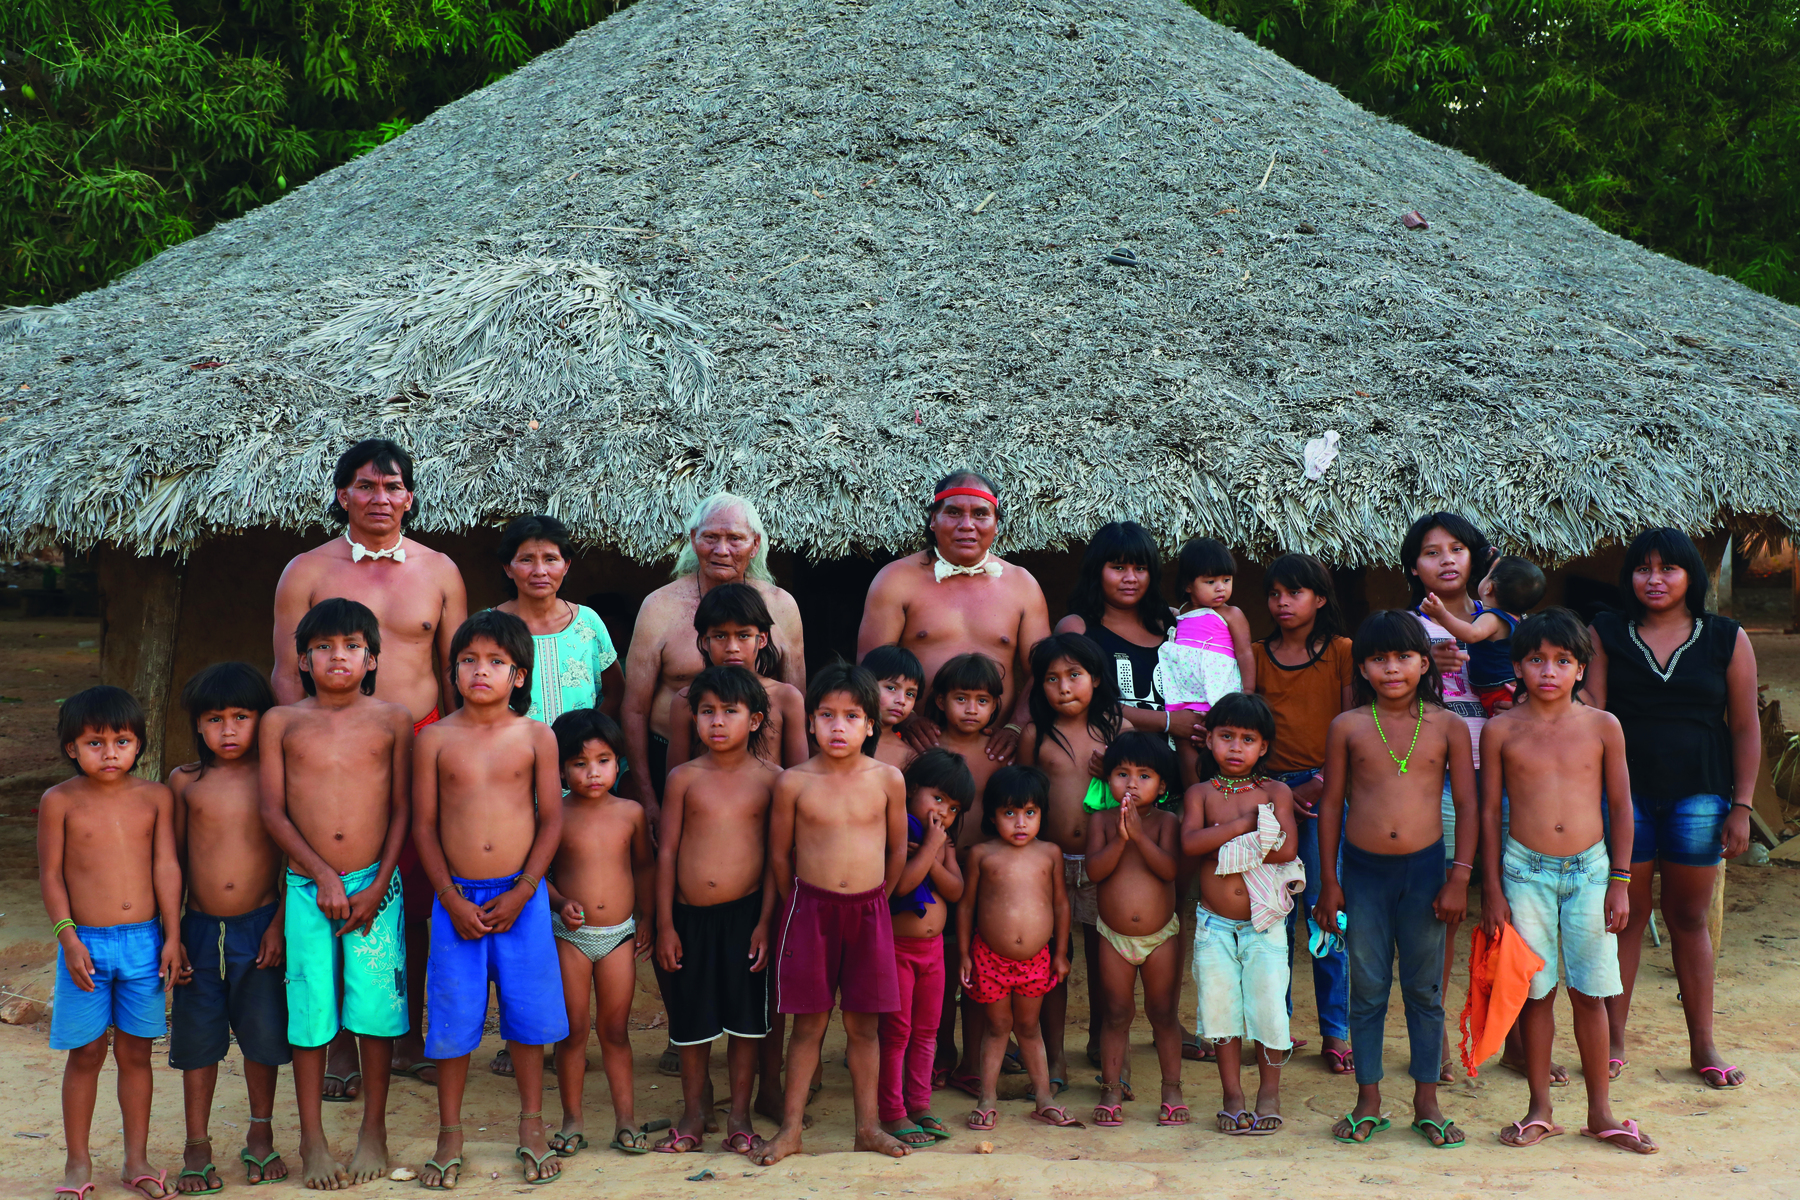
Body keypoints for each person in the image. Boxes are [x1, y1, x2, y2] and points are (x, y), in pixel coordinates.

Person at [271, 438, 467, 1095]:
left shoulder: (440, 571)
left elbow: (452, 672)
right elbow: (284, 670)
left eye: (392, 488)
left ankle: (402, 1034)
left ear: (410, 497)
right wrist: (305, 753)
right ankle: (339, 1048)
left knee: (409, 893)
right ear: (341, 495)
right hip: (330, 751)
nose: (380, 499)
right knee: (332, 887)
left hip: (422, 741)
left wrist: (452, 753)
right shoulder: (306, 570)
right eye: (365, 486)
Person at [1587, 528, 1758, 1091]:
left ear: (1692, 576)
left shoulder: (1726, 638)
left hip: (1701, 796)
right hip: (1624, 799)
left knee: (1688, 918)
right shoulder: (1607, 632)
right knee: (1626, 918)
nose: (1654, 579)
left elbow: (1745, 725)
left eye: (1668, 569)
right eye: (1643, 568)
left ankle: (1703, 1044)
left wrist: (1742, 805)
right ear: (1628, 576)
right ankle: (1613, 1039)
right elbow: (1589, 708)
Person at [1479, 610, 1655, 1153]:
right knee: (1536, 992)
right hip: (1522, 870)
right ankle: (1539, 1109)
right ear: (1517, 668)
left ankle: (1601, 1112)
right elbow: (1488, 814)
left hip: (1591, 871)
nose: (1548, 671)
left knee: (1591, 992)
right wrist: (1490, 889)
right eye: (1536, 660)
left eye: (1562, 660)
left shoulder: (1603, 725)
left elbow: (1622, 805)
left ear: (1581, 668)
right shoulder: (1501, 729)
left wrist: (1621, 880)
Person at [258, 598, 412, 1189]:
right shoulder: (283, 722)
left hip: (378, 886)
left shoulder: (393, 720)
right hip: (305, 888)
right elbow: (272, 809)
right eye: (323, 647)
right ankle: (313, 1139)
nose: (337, 657)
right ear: (303, 658)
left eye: (351, 646)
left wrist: (377, 884)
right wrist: (321, 874)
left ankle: (373, 1129)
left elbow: (402, 808)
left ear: (372, 658)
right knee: (311, 1010)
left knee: (375, 1011)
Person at [413, 611, 569, 1187]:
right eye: (469, 660)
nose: (482, 671)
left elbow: (552, 821)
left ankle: (531, 1127)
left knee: (527, 1019)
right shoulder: (434, 737)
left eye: (497, 662)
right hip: (457, 902)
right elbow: (425, 827)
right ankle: (448, 1135)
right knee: (452, 1020)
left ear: (519, 676)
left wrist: (527, 889)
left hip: (520, 899)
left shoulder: (536, 737)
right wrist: (450, 899)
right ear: (452, 671)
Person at [1314, 611, 1475, 1149]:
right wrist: (1330, 883)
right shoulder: (1349, 726)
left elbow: (1470, 809)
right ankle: (1369, 1100)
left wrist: (1460, 877)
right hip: (1362, 875)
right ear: (1362, 667)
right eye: (1378, 659)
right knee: (1367, 987)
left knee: (1425, 991)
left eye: (1403, 657)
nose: (1391, 668)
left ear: (1424, 663)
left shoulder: (1447, 725)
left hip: (1427, 872)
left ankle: (1427, 1103)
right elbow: (1331, 804)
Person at [753, 663, 909, 1166]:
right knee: (807, 1026)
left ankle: (868, 1127)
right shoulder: (793, 782)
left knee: (865, 1028)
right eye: (826, 715)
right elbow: (779, 855)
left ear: (870, 725)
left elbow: (899, 849)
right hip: (809, 910)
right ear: (811, 723)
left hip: (869, 911)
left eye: (851, 716)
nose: (837, 727)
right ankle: (791, 1130)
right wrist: (797, 905)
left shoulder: (888, 779)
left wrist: (881, 899)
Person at [40, 687, 182, 1200]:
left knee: (137, 1054)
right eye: (94, 742)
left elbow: (167, 867)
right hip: (85, 945)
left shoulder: (155, 798)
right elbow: (51, 876)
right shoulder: (58, 801)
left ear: (138, 745)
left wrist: (173, 936)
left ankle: (136, 1160)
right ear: (71, 748)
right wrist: (67, 937)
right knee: (85, 1054)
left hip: (145, 944)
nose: (110, 752)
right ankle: (77, 1162)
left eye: (122, 741)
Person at [167, 664, 289, 1190]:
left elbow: (294, 862)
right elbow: (169, 861)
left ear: (262, 719)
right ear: (198, 725)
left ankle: (260, 1134)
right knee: (198, 1039)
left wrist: (280, 924)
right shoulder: (185, 782)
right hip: (197, 929)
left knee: (263, 1036)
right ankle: (197, 1143)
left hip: (260, 926)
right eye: (215, 719)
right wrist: (172, 935)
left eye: (242, 716)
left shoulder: (274, 776)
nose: (229, 730)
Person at [655, 666, 781, 1156]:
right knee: (692, 1024)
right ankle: (692, 1114)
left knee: (746, 1024)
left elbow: (776, 860)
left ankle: (740, 1116)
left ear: (755, 720)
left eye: (731, 712)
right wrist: (664, 922)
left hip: (746, 917)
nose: (718, 722)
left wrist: (766, 923)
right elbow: (666, 853)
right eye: (707, 711)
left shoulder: (773, 780)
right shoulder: (684, 778)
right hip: (690, 918)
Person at [621, 492, 805, 812]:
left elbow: (797, 705)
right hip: (674, 762)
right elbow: (634, 710)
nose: (721, 550)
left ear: (755, 544)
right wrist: (649, 799)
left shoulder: (781, 606)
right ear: (693, 540)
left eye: (735, 538)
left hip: (762, 770)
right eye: (710, 538)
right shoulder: (660, 607)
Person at [858, 471, 1052, 764]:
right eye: (953, 512)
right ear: (933, 520)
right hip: (915, 750)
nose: (967, 525)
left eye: (980, 514)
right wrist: (907, 719)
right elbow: (869, 664)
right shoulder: (895, 579)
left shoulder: (1023, 585)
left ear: (996, 524)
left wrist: (1016, 727)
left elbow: (1044, 671)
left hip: (995, 753)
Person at [1401, 511, 1498, 1083]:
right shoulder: (1406, 631)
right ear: (1414, 566)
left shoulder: (1503, 621)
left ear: (1474, 557)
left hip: (1507, 778)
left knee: (1512, 905)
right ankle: (1434, 1040)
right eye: (1432, 551)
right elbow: (1383, 701)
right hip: (1438, 781)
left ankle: (1508, 1038)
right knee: (1445, 911)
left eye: (1457, 548)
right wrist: (1422, 674)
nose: (1446, 559)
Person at [1251, 554, 1355, 1075]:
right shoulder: (1257, 655)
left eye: (1294, 592)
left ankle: (1336, 1030)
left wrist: (1324, 782)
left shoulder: (1341, 653)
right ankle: (1276, 1026)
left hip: (1326, 787)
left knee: (1326, 911)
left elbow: (1352, 724)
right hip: (1269, 795)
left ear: (1319, 598)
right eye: (1274, 594)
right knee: (1273, 916)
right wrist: (1274, 793)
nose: (1282, 602)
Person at [1181, 694, 1300, 1136]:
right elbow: (1189, 845)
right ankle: (1232, 1094)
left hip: (1264, 922)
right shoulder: (1200, 794)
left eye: (1247, 739)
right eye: (1226, 736)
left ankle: (1269, 1091)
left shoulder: (1275, 792)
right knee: (1220, 1008)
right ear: (1208, 739)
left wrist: (1221, 837)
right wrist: (1245, 825)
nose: (1235, 747)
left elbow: (1286, 849)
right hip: (1214, 924)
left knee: (1269, 1007)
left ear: (1263, 747)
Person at [546, 708, 653, 1157]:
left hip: (618, 935)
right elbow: (538, 871)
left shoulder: (631, 813)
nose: (593, 773)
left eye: (604, 761)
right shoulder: (554, 815)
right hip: (570, 936)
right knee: (572, 1033)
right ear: (560, 769)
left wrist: (649, 918)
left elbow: (645, 866)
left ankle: (625, 1121)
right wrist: (558, 901)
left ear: (618, 762)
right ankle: (572, 1121)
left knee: (614, 1030)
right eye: (579, 763)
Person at [1017, 632, 1121, 1089]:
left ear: (1096, 679)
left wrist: (1117, 771)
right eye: (1052, 679)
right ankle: (1054, 1058)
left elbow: (1149, 790)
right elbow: (1022, 798)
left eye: (1074, 675)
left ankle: (1105, 1049)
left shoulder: (1118, 731)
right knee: (1053, 964)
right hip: (1052, 864)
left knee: (1107, 963)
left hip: (1106, 862)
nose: (1064, 687)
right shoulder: (1035, 735)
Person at [957, 766, 1078, 1132]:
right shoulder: (981, 854)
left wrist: (1060, 952)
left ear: (1042, 813)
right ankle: (987, 1098)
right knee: (997, 1028)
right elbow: (966, 906)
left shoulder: (1050, 853)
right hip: (989, 959)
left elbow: (1060, 905)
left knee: (1028, 1026)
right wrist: (963, 953)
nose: (1020, 822)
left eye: (1030, 812)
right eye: (1009, 813)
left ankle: (1044, 1097)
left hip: (1036, 960)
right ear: (993, 816)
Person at [1086, 732, 1186, 1129]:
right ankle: (1111, 1088)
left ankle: (1172, 1088)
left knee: (1163, 1012)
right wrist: (1121, 838)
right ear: (1107, 779)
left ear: (1162, 787)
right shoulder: (1101, 822)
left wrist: (1139, 837)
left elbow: (1169, 871)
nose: (1131, 783)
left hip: (1161, 935)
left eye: (1145, 776)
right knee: (1115, 1013)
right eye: (1122, 773)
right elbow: (1095, 872)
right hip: (1113, 936)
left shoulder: (1165, 822)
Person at [926, 651, 1010, 1093]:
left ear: (996, 706)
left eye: (982, 700)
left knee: (984, 969)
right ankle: (940, 1052)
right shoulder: (927, 748)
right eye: (961, 698)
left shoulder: (1002, 751)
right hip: (938, 875)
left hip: (992, 880)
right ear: (940, 701)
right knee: (941, 969)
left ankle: (975, 1059)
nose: (972, 709)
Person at [879, 749, 971, 1147]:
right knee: (897, 1032)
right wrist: (930, 846)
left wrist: (934, 850)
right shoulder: (898, 829)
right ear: (912, 788)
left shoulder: (939, 840)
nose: (944, 813)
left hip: (933, 951)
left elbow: (955, 889)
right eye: (938, 799)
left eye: (952, 808)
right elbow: (899, 887)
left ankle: (921, 1104)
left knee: (927, 1031)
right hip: (897, 948)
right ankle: (892, 1110)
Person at [1055, 520, 1189, 744]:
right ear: (1096, 570)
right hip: (1112, 766)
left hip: (1177, 767)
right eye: (1118, 568)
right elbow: (1083, 702)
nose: (1131, 578)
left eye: (1140, 568)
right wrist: (1168, 722)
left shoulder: (1173, 624)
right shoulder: (1077, 628)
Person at [492, 513, 624, 726]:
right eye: (526, 560)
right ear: (508, 567)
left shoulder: (588, 622)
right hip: (512, 755)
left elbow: (616, 692)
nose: (540, 571)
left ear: (566, 565)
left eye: (550, 559)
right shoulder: (487, 627)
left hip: (577, 756)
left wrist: (589, 735)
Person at [666, 582, 809, 770]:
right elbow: (676, 775)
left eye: (743, 636)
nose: (732, 647)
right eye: (720, 636)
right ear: (704, 642)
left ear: (762, 639)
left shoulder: (786, 698)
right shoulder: (686, 700)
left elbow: (798, 778)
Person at [1160, 537, 1256, 783]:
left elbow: (1244, 652)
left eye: (1226, 580)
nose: (1221, 588)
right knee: (1186, 745)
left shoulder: (1232, 614)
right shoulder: (1181, 613)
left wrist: (1247, 693)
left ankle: (1221, 799)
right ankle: (1195, 797)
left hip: (1218, 697)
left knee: (1219, 747)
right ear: (1188, 585)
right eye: (1210, 581)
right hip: (1184, 696)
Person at [1421, 555, 1546, 717]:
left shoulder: (1493, 618)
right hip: (1508, 691)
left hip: (1501, 694)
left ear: (1489, 588)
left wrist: (1442, 614)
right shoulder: (1518, 620)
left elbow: (1471, 634)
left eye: (1487, 575)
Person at [863, 644, 926, 769]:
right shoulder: (839, 735)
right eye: (891, 688)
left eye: (910, 694)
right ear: (866, 685)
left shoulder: (909, 757)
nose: (901, 700)